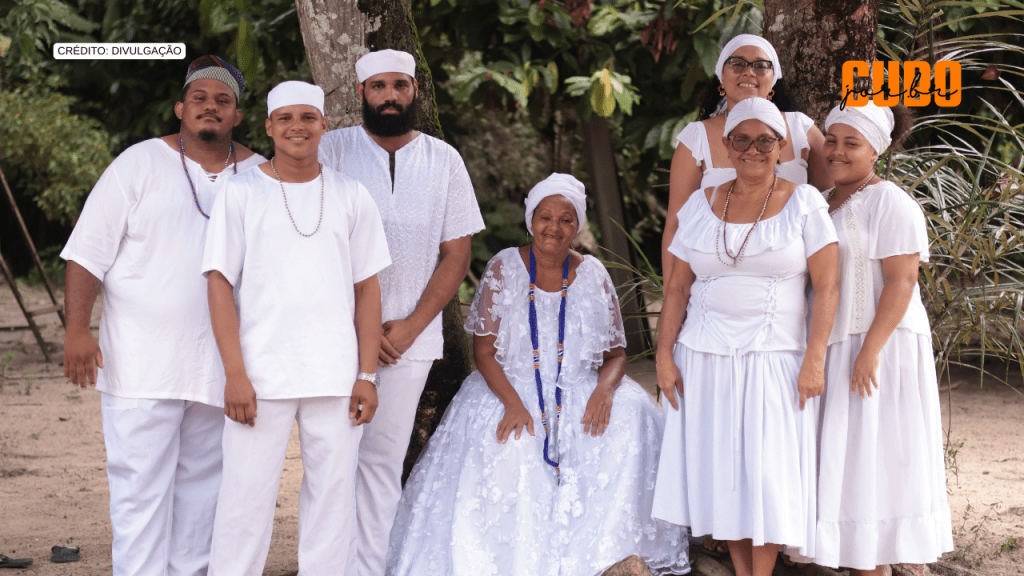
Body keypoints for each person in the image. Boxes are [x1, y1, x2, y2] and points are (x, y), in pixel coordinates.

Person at [385, 174, 690, 576]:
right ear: (531, 220)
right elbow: (484, 352)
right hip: (510, 387)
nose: (554, 227)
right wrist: (512, 403)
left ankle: (611, 551)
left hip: (581, 388)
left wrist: (605, 388)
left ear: (578, 224)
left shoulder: (594, 273)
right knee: (512, 446)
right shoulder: (502, 267)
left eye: (566, 219)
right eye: (545, 217)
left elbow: (618, 354)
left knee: (630, 422)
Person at [60, 55, 264, 576]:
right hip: (141, 364)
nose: (210, 108)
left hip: (223, 369)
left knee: (204, 497)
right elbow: (87, 253)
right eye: (200, 99)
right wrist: (77, 330)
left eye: (223, 101)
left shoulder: (261, 174)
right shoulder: (139, 163)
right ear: (180, 108)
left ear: (237, 116)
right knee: (139, 494)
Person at [202, 81, 391, 575]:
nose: (297, 127)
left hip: (335, 374)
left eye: (308, 117)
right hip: (259, 375)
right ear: (267, 126)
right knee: (244, 500)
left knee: (332, 502)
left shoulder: (352, 196)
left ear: (324, 124)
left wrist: (367, 376)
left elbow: (368, 290)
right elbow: (219, 285)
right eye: (285, 118)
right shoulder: (239, 193)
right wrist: (235, 374)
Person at [652, 98, 840, 576]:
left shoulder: (805, 202)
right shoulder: (700, 203)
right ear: (728, 146)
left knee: (769, 477)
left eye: (765, 140)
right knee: (725, 479)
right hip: (703, 357)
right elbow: (677, 285)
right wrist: (663, 355)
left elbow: (828, 285)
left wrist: (814, 357)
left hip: (774, 359)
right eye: (741, 139)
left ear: (781, 147)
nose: (753, 149)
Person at [317, 49, 485, 576]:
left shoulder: (444, 160)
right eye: (378, 87)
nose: (390, 96)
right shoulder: (331, 150)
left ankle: (372, 570)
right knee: (332, 464)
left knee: (384, 464)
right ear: (361, 93)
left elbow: (456, 253)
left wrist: (412, 325)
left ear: (416, 92)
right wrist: (356, 324)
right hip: (335, 336)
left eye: (400, 86)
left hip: (411, 340)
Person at [814, 102, 953, 574]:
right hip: (839, 347)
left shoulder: (890, 200)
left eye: (851, 143)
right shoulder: (828, 200)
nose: (836, 151)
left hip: (880, 349)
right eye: (832, 140)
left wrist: (870, 352)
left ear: (877, 149)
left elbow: (902, 281)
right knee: (852, 470)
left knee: (872, 469)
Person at [662, 33, 832, 286]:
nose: (749, 72)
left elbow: (832, 201)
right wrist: (673, 297)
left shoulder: (801, 129)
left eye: (761, 65)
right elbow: (676, 225)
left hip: (793, 281)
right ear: (721, 78)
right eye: (737, 63)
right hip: (718, 279)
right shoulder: (696, 138)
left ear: (773, 81)